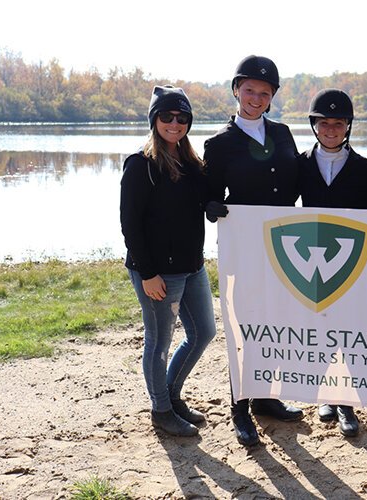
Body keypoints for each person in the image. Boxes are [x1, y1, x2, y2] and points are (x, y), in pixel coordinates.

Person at [203, 55, 303, 447]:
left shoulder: (283, 133)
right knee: (244, 327)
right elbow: (209, 197)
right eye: (249, 91)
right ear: (236, 90)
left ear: (273, 96)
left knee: (274, 322)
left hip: (282, 246)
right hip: (243, 249)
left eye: (265, 92)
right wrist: (211, 206)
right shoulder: (219, 143)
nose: (256, 98)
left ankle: (267, 397)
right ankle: (240, 407)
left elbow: (296, 183)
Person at [120, 85, 217, 437]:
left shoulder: (192, 164)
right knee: (158, 342)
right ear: (154, 120)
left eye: (182, 117)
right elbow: (130, 224)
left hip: (193, 267)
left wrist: (214, 204)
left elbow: (208, 198)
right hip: (158, 272)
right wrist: (148, 273)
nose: (174, 123)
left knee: (203, 332)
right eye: (167, 116)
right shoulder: (140, 165)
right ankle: (161, 410)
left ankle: (171, 396)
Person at [298, 88, 367, 437]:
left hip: (349, 259)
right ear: (314, 125)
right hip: (311, 259)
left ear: (348, 126)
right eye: (324, 123)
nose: (331, 129)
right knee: (319, 330)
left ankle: (346, 402)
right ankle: (324, 396)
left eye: (339, 123)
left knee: (347, 330)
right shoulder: (299, 163)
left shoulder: (365, 168)